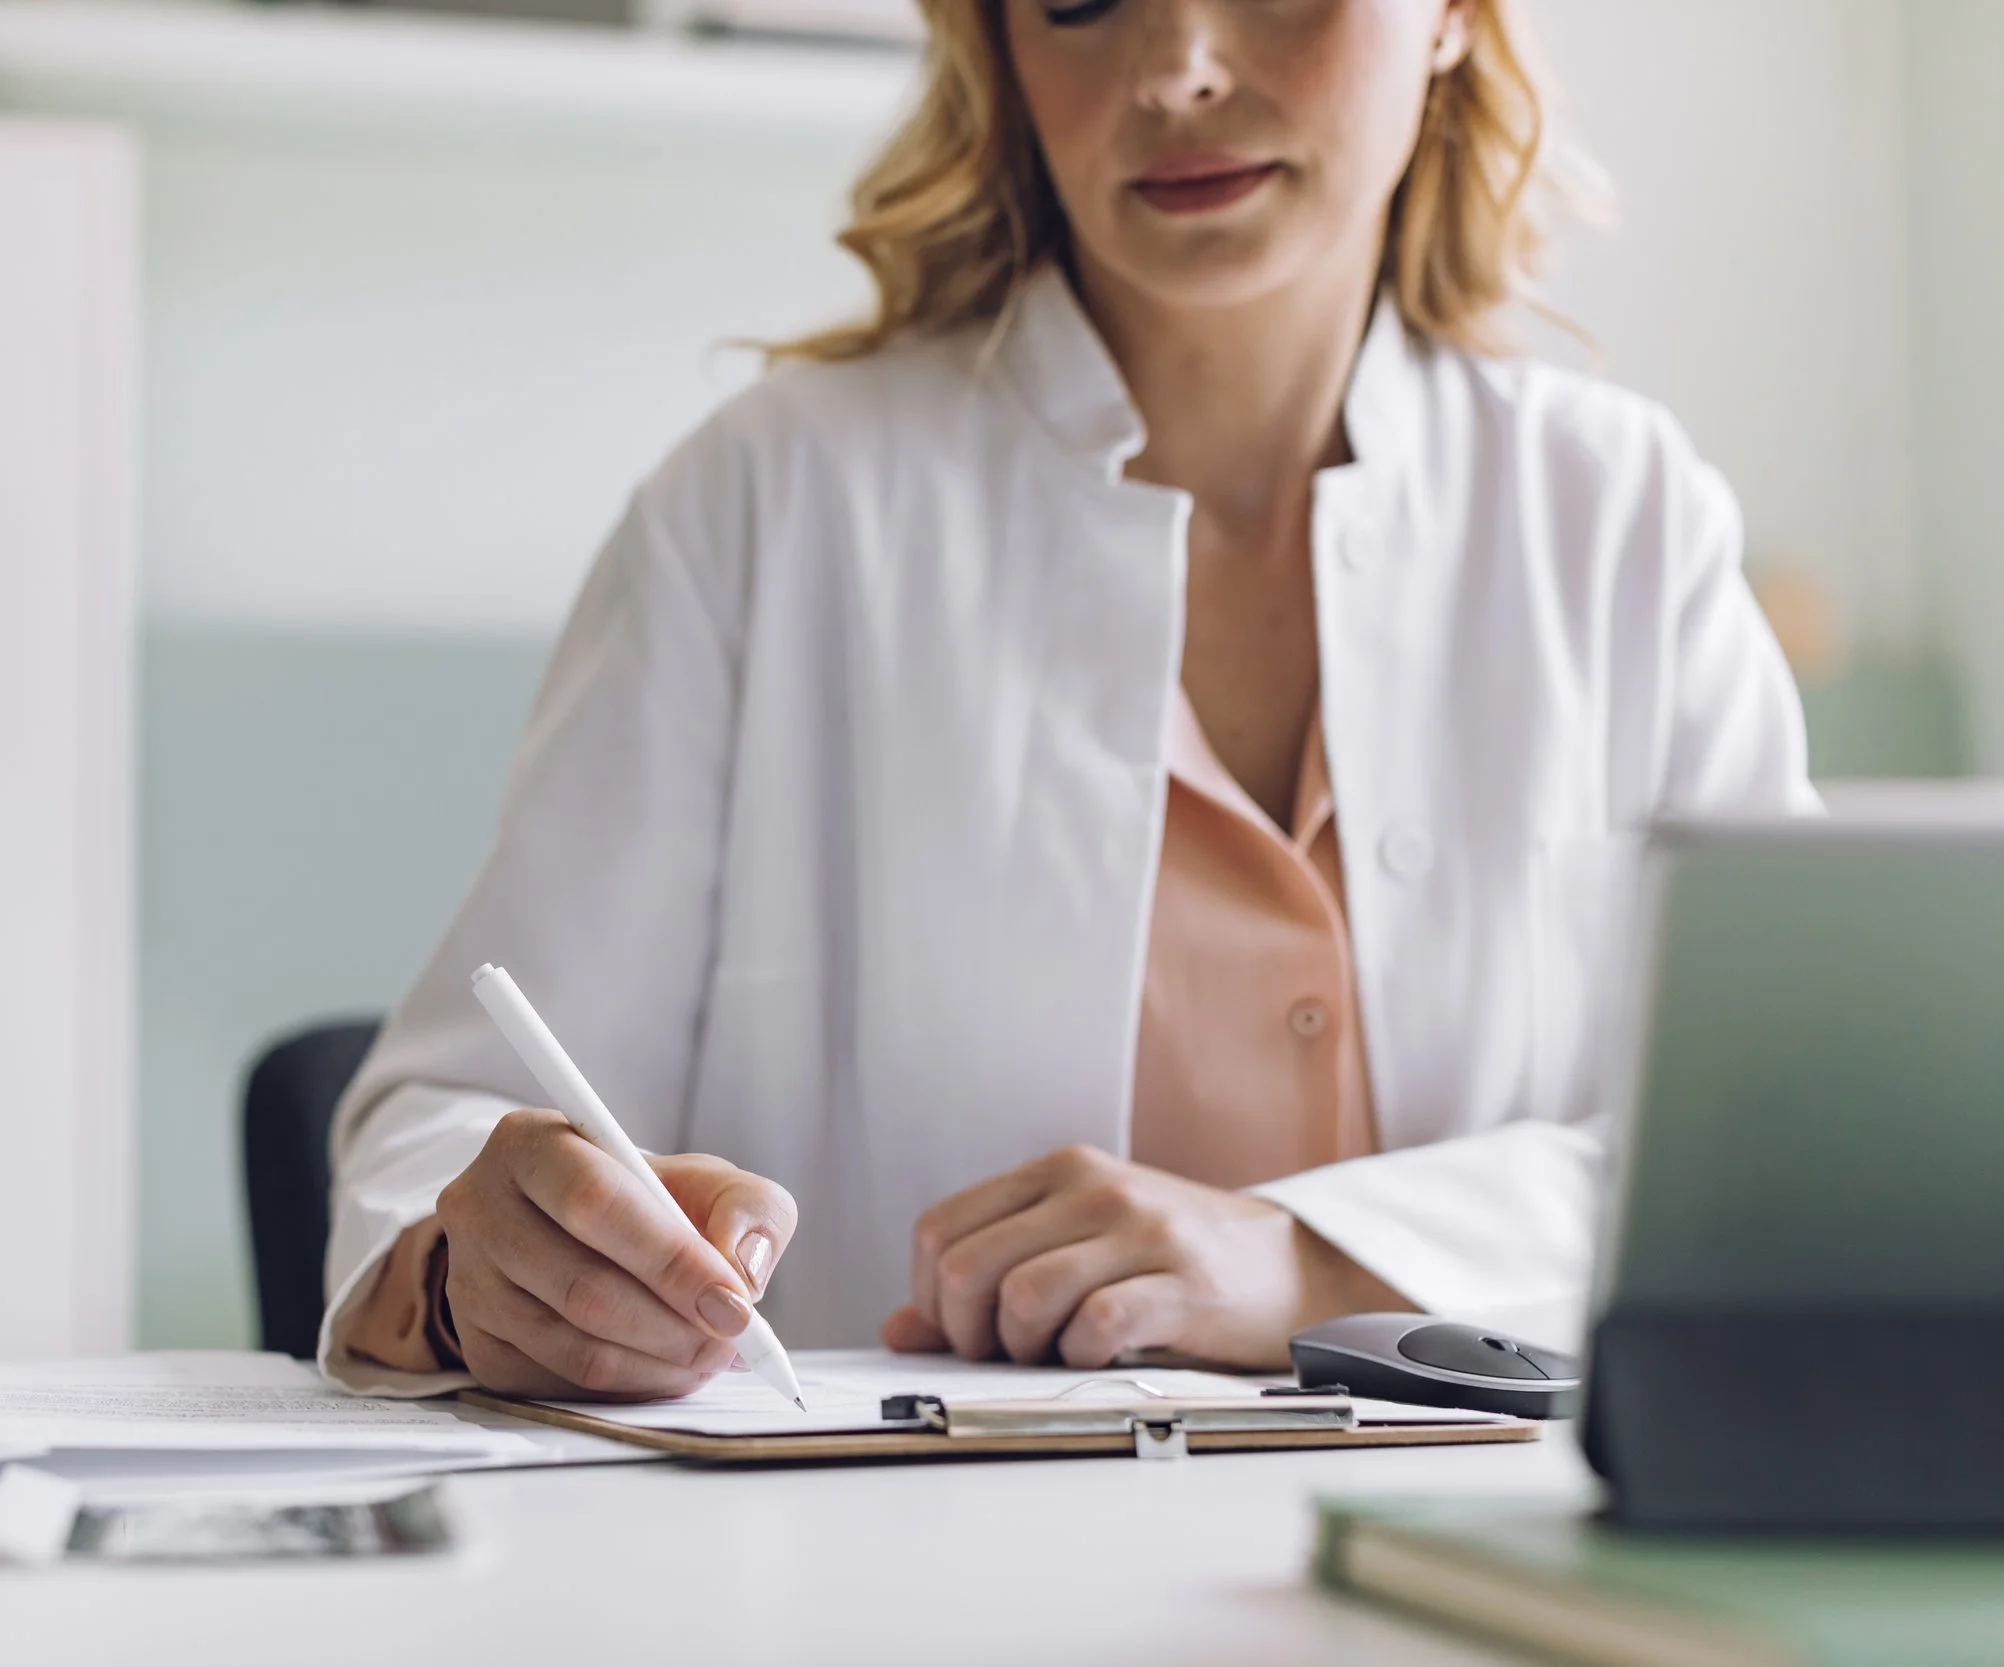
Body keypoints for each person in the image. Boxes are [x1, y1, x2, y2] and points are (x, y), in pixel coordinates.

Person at [318, 0, 1814, 1399]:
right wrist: (483, 1264)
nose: (1177, 68)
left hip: (1474, 1572)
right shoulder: (768, 506)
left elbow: (1799, 1156)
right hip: (898, 1575)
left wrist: (1306, 1260)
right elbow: (447, 1122)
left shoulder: (1624, 520)